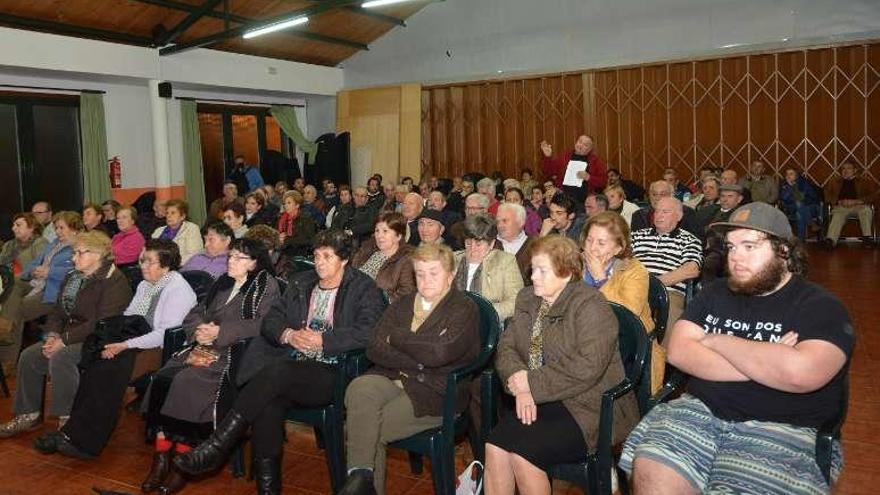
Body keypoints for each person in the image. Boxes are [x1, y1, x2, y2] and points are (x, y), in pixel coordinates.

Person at [620, 202, 853, 495]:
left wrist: (717, 341)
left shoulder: (820, 307)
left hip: (782, 425)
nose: (736, 257)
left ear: (784, 250)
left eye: (749, 246)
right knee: (652, 472)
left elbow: (800, 373)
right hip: (700, 411)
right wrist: (767, 358)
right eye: (731, 247)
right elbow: (679, 351)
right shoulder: (717, 292)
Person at [172, 230, 386, 493]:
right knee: (267, 403)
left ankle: (217, 446)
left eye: (327, 256)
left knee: (276, 374)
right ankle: (267, 489)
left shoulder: (363, 287)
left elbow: (369, 331)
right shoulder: (301, 282)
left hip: (334, 370)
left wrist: (324, 340)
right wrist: (288, 334)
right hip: (292, 366)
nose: (319, 262)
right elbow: (271, 320)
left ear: (344, 260)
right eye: (317, 255)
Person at [485, 235, 638, 494]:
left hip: (588, 404)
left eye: (542, 270)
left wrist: (531, 384)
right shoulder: (527, 299)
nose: (533, 277)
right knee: (495, 447)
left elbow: (587, 366)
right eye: (533, 269)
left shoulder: (590, 304)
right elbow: (507, 347)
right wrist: (522, 386)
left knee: (524, 455)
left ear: (567, 273)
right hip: (539, 397)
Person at [32, 239, 198, 459]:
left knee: (105, 370)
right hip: (133, 340)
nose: (143, 266)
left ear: (166, 265)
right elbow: (128, 317)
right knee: (93, 357)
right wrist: (111, 340)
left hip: (157, 349)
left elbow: (164, 334)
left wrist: (123, 345)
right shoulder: (144, 284)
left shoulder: (178, 289)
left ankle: (86, 444)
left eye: (149, 262)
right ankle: (72, 432)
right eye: (142, 260)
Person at [140, 238, 280, 494]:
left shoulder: (265, 286)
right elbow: (195, 313)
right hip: (202, 346)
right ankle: (160, 461)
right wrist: (198, 332)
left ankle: (182, 465)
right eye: (231, 256)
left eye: (239, 258)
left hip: (233, 355)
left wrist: (220, 332)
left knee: (187, 382)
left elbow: (264, 324)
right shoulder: (223, 283)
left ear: (254, 263)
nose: (231, 262)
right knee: (163, 378)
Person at [339, 243, 480, 495]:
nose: (426, 281)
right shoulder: (403, 303)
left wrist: (398, 338)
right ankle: (361, 479)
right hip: (392, 376)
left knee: (364, 430)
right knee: (359, 386)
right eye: (420, 273)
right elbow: (374, 346)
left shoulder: (463, 308)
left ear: (450, 275)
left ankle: (360, 482)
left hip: (435, 391)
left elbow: (441, 352)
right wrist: (419, 359)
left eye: (433, 273)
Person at [0, 231, 131, 437]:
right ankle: (29, 414)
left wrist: (64, 340)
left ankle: (66, 421)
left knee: (62, 357)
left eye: (79, 253)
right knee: (29, 356)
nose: (73, 257)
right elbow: (57, 312)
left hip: (99, 339)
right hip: (67, 336)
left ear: (98, 255)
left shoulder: (114, 280)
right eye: (74, 252)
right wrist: (52, 335)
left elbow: (102, 322)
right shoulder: (72, 276)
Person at [580, 212, 662, 392]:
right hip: (584, 339)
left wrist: (601, 278)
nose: (592, 248)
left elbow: (628, 315)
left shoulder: (635, 271)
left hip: (625, 344)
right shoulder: (575, 265)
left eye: (601, 243)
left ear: (618, 248)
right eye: (589, 240)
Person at [632, 197, 703, 331]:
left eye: (665, 212)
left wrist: (653, 284)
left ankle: (665, 352)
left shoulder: (689, 240)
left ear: (679, 216)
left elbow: (691, 269)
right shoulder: (637, 236)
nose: (658, 215)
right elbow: (622, 261)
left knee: (670, 312)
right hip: (634, 287)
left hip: (668, 292)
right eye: (657, 211)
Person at [453, 214, 523, 321]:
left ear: (491, 244)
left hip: (487, 321)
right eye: (468, 243)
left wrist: (485, 311)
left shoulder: (505, 261)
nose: (472, 249)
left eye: (478, 244)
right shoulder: (452, 259)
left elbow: (515, 301)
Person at [351, 212, 416, 303]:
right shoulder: (367, 251)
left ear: (398, 236)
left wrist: (381, 301)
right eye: (377, 231)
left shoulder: (406, 260)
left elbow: (406, 292)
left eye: (385, 231)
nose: (379, 236)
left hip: (379, 309)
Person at [540, 135, 608, 202]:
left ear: (590, 149)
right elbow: (548, 171)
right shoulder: (565, 156)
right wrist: (547, 157)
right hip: (563, 198)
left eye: (585, 145)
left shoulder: (595, 161)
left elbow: (603, 182)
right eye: (580, 142)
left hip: (584, 200)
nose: (580, 145)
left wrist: (589, 178)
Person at [824, 161, 874, 248]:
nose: (845, 171)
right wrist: (838, 201)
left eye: (849, 168)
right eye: (843, 168)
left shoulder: (864, 181)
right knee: (837, 214)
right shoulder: (834, 181)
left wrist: (858, 201)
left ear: (855, 170)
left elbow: (874, 195)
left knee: (866, 210)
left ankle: (867, 239)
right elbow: (826, 195)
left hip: (859, 206)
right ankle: (831, 241)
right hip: (841, 206)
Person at [151, 199, 203, 265]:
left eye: (173, 213)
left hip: (182, 267)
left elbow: (194, 254)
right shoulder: (158, 231)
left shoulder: (191, 228)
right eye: (167, 213)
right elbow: (149, 250)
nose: (169, 216)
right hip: (158, 267)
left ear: (182, 216)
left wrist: (171, 264)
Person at [496, 203, 535, 283]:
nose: (500, 225)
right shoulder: (490, 245)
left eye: (504, 221)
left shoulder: (535, 245)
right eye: (497, 221)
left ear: (521, 222)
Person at [779, 167, 821, 241]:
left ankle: (801, 239)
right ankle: (811, 223)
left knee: (799, 208)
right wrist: (790, 187)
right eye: (787, 174)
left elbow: (813, 196)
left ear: (797, 175)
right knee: (798, 211)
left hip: (809, 207)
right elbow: (784, 198)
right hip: (792, 210)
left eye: (791, 174)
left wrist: (803, 202)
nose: (788, 176)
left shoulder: (804, 183)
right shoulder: (784, 185)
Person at [0, 213, 47, 277]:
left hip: (30, 284)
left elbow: (38, 271)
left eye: (18, 225)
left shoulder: (40, 243)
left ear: (31, 227)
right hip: (7, 281)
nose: (13, 228)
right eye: (13, 225)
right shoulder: (9, 244)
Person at [276, 190, 317, 261]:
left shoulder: (305, 219)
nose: (286, 206)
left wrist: (287, 240)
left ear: (297, 205)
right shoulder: (281, 219)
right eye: (284, 203)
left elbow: (310, 240)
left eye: (289, 203)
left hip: (301, 254)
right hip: (284, 253)